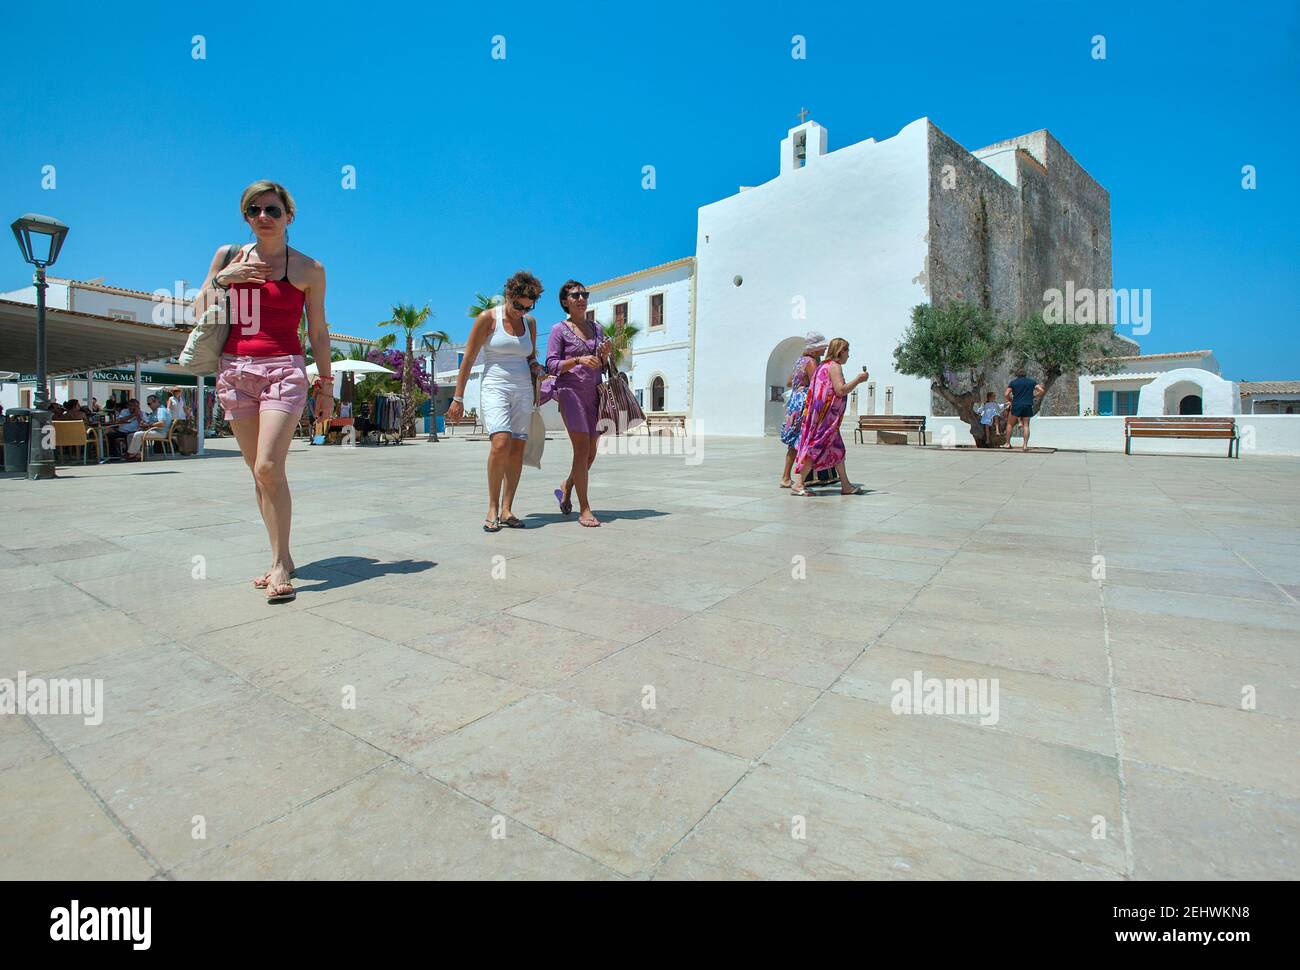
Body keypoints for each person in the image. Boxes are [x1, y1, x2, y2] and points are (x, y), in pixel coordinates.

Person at [193, 179, 333, 603]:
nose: (263, 217)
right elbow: (198, 312)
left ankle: (278, 564)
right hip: (235, 370)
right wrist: (224, 279)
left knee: (269, 466)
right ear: (246, 217)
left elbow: (319, 331)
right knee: (258, 471)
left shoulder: (310, 269)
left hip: (284, 369)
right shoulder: (227, 257)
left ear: (289, 215)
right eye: (254, 210)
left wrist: (325, 385)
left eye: (272, 209)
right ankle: (282, 557)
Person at [447, 272, 547, 532]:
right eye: (518, 305)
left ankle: (507, 509)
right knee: (500, 443)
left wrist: (538, 368)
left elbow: (530, 357)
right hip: (495, 386)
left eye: (528, 307)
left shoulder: (531, 323)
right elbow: (468, 359)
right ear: (508, 296)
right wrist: (457, 398)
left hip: (523, 388)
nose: (522, 312)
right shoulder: (488, 319)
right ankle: (491, 507)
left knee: (516, 449)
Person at [546, 280, 611, 527]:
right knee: (581, 449)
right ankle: (584, 508)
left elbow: (602, 366)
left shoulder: (598, 329)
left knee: (591, 453)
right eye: (576, 295)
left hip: (594, 393)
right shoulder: (558, 330)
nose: (581, 298)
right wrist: (578, 360)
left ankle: (567, 485)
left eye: (584, 294)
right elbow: (551, 364)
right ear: (565, 301)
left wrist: (604, 356)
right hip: (570, 392)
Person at [790, 338, 870, 496]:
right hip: (826, 419)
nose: (849, 355)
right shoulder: (834, 367)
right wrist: (858, 380)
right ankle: (799, 483)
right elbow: (840, 390)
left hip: (822, 417)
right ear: (841, 351)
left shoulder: (822, 366)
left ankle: (846, 485)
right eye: (847, 351)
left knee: (837, 450)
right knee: (816, 447)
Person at [779, 332, 826, 488]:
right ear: (814, 349)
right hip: (805, 403)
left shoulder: (800, 361)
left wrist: (798, 385)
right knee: (804, 440)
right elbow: (816, 384)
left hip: (794, 403)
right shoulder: (811, 362)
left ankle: (786, 477)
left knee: (794, 441)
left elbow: (788, 382)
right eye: (822, 347)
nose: (824, 350)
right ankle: (801, 480)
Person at [1005, 368, 1045, 452]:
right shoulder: (1031, 382)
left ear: (1017, 375)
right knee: (1026, 425)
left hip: (1016, 404)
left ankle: (1007, 443)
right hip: (1027, 404)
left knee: (1009, 424)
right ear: (1025, 374)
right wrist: (1034, 396)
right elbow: (1041, 390)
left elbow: (1006, 394)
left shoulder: (1013, 382)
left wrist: (1010, 400)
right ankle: (1025, 445)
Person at [126, 394, 172, 459]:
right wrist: (144, 424)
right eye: (148, 404)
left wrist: (148, 425)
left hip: (160, 432)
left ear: (156, 401)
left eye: (149, 404)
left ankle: (131, 454)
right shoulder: (156, 411)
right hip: (154, 431)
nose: (149, 406)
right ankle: (137, 454)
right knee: (130, 435)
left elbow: (162, 423)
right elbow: (151, 422)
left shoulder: (161, 410)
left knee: (137, 434)